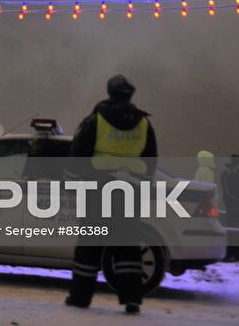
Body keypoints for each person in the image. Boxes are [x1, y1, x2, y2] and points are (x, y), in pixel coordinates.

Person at [66, 74, 157, 316]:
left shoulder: (96, 119)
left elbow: (78, 154)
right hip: (129, 190)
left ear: (110, 92)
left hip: (99, 188)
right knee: (127, 247)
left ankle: (80, 298)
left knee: (89, 246)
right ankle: (132, 300)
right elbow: (151, 160)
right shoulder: (144, 124)